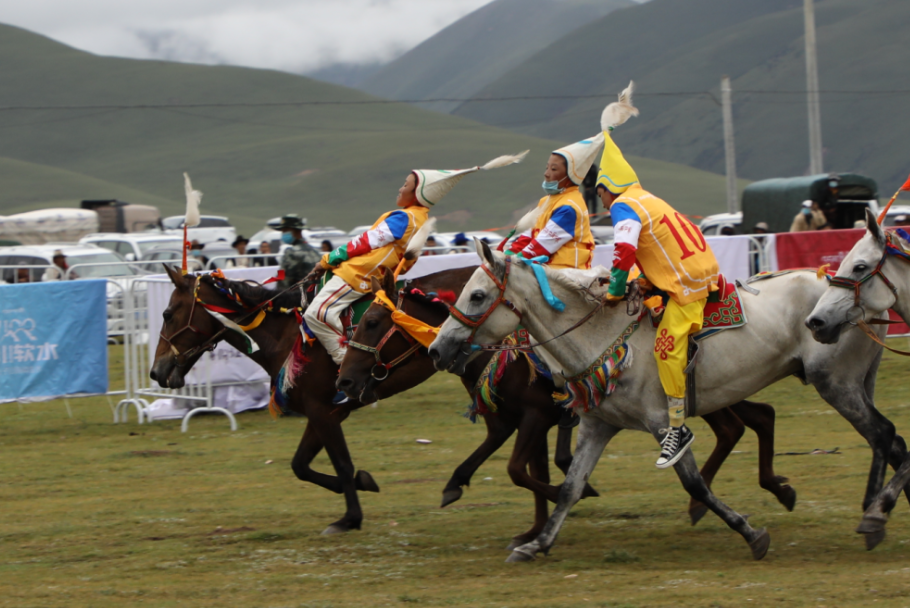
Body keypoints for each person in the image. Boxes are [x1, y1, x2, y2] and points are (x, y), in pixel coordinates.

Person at [304, 150, 526, 378]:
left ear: (416, 193)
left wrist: (327, 260)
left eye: (405, 184)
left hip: (356, 274)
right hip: (364, 273)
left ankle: (344, 364)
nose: (400, 188)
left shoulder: (404, 218)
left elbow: (364, 242)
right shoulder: (416, 219)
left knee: (316, 314)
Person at [596, 83, 719, 468]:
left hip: (687, 285)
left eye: (599, 193)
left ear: (606, 189)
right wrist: (644, 281)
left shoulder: (623, 206)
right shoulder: (648, 198)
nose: (599, 200)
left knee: (666, 348)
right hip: (698, 270)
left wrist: (616, 289)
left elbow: (626, 250)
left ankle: (677, 428)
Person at [503, 134, 601, 269]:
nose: (546, 173)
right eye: (547, 167)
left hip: (568, 275)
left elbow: (542, 244)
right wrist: (507, 254)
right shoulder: (546, 201)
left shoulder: (569, 207)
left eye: (553, 169)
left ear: (571, 174)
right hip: (547, 270)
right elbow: (530, 234)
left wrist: (512, 261)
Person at [275, 214, 321, 290]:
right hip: (316, 296)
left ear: (297, 230)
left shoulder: (291, 253)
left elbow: (282, 281)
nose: (283, 234)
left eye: (285, 231)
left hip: (298, 298)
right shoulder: (315, 252)